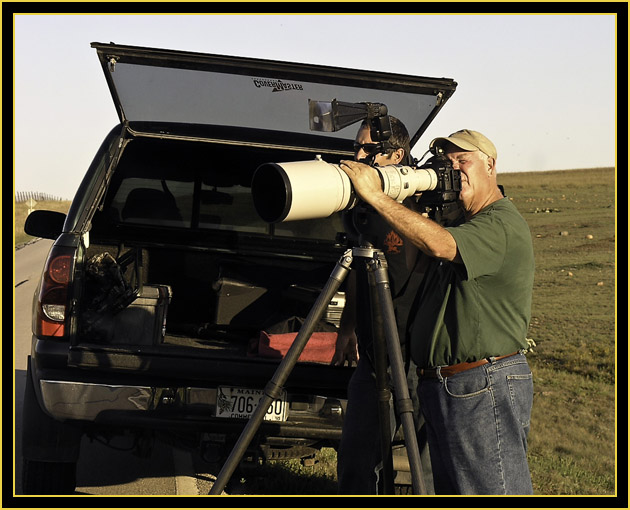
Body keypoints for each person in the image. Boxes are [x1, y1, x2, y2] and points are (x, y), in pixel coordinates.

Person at [339, 129, 535, 495]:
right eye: (448, 162)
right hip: (453, 385)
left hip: (481, 383)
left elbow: (441, 246)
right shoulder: (463, 223)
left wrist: (377, 196)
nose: (454, 169)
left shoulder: (498, 223)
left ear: (491, 165)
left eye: (464, 160)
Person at [333, 116, 436, 494]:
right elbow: (360, 271)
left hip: (419, 356)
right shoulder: (359, 209)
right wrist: (346, 328)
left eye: (368, 149)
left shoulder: (422, 205)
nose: (358, 156)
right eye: (355, 147)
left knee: (425, 467)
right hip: (375, 356)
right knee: (356, 464)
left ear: (397, 155)